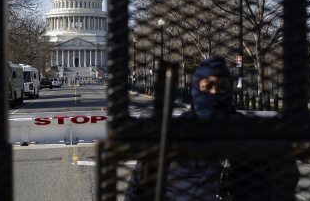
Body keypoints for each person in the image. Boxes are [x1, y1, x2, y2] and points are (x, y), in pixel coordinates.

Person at [124, 56, 299, 201]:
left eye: (222, 86)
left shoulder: (253, 131)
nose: (215, 93)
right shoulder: (171, 133)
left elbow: (284, 182)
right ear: (196, 89)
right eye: (207, 86)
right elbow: (138, 190)